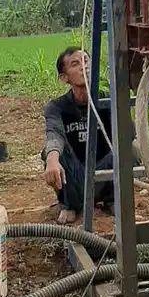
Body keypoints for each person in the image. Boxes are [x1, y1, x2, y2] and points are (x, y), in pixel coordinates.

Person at [41, 47, 116, 224]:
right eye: (76, 64)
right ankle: (70, 205)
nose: (84, 67)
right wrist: (52, 158)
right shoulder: (57, 106)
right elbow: (55, 133)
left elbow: (129, 133)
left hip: (103, 172)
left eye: (87, 61)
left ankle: (111, 199)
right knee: (51, 152)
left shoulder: (108, 100)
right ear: (64, 78)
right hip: (75, 177)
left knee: (130, 148)